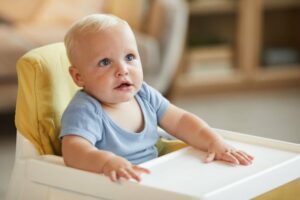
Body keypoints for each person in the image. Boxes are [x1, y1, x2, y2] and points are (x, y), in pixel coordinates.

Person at [60, 14, 254, 183]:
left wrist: (213, 141)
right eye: (105, 62)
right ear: (78, 77)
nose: (122, 70)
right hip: (115, 186)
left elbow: (180, 120)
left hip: (157, 178)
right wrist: (107, 163)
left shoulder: (143, 94)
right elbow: (74, 150)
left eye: (129, 57)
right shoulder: (86, 110)